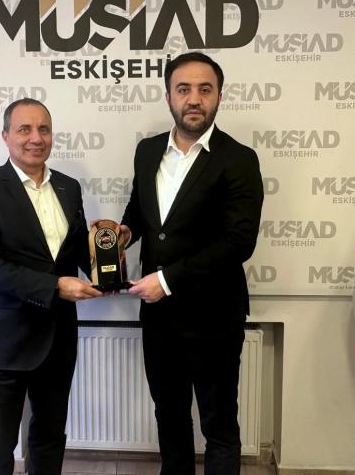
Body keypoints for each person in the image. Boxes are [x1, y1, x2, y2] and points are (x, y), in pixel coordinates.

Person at [120, 52, 264, 474]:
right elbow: (142, 210)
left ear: (219, 95)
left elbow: (239, 242)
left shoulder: (239, 159)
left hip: (214, 316)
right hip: (159, 319)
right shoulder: (147, 151)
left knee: (219, 425)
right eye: (183, 89)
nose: (194, 99)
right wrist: (125, 232)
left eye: (205, 89)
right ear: (169, 96)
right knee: (169, 417)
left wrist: (165, 280)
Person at [0, 98, 102, 475]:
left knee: (50, 439)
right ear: (6, 136)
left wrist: (107, 253)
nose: (36, 138)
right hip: (2, 343)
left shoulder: (68, 188)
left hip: (57, 339)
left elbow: (75, 252)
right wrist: (56, 287)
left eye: (44, 129)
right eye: (25, 129)